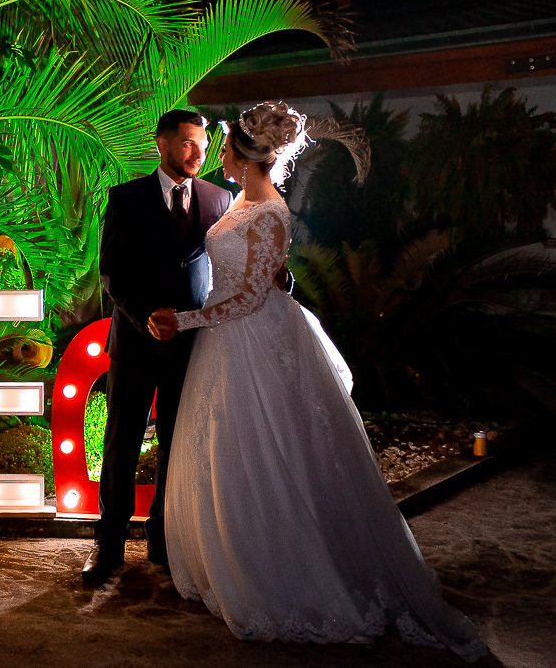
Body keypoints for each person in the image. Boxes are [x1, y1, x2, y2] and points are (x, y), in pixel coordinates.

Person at [149, 102, 487, 661]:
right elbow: (257, 275)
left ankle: (286, 576)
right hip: (229, 342)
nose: (217, 155)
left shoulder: (269, 211)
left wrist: (182, 319)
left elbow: (250, 298)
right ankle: (234, 560)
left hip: (252, 340)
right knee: (228, 452)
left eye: (225, 147)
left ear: (248, 155)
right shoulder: (241, 201)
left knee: (269, 452)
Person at [83, 109, 232, 583]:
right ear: (162, 144)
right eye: (188, 143)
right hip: (135, 340)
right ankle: (108, 546)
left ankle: (163, 539)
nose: (199, 153)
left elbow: (227, 266)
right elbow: (112, 270)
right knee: (122, 442)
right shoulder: (126, 198)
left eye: (203, 145)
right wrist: (145, 314)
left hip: (192, 345)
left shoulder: (220, 199)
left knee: (177, 442)